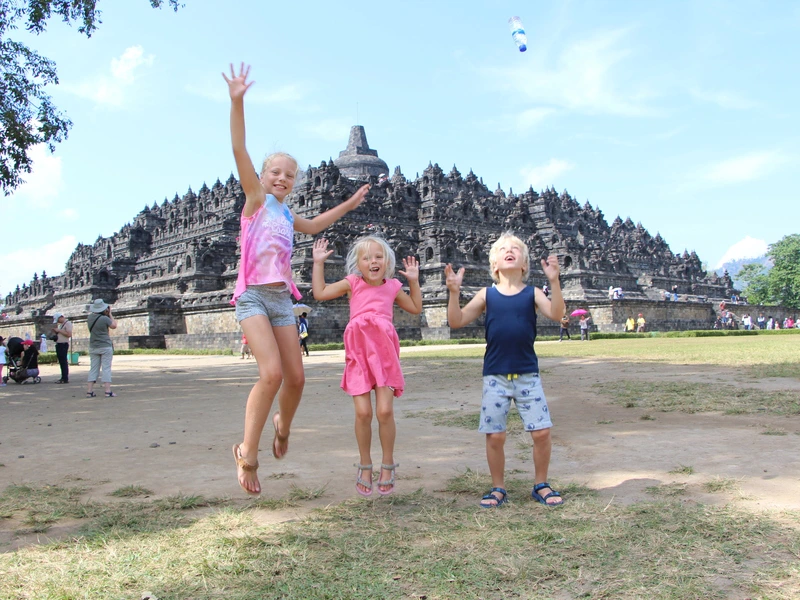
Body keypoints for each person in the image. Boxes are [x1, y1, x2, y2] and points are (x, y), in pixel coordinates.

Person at [224, 62, 370, 497]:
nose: (282, 178)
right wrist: (237, 100)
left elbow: (319, 222)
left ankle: (282, 425)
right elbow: (239, 151)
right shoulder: (255, 201)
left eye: (290, 175)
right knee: (270, 375)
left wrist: (350, 202)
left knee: (297, 378)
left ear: (295, 183)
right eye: (275, 172)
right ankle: (248, 454)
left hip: (283, 301)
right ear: (263, 177)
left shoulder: (289, 214)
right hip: (252, 297)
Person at [445, 233, 566, 508]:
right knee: (495, 434)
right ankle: (498, 487)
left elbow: (558, 314)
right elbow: (456, 320)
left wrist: (554, 281)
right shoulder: (486, 294)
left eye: (515, 249)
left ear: (524, 264)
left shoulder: (532, 293)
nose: (509, 252)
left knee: (541, 432)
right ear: (494, 265)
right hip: (495, 375)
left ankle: (541, 484)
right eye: (503, 250)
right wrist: (453, 292)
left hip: (527, 373)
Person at [312, 236, 422, 496]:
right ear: (357, 265)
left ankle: (387, 463)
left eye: (378, 256)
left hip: (384, 355)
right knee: (363, 413)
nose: (373, 261)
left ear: (387, 262)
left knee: (384, 411)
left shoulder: (393, 286)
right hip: (359, 354)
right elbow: (320, 293)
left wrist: (414, 282)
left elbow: (416, 307)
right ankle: (364, 463)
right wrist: (318, 264)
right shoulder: (353, 284)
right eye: (366, 258)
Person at [86, 299, 117, 398]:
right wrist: (110, 314)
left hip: (93, 346)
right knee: (106, 369)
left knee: (93, 369)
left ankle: (89, 391)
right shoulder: (105, 318)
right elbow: (114, 326)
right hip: (105, 345)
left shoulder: (90, 318)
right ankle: (107, 391)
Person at [51, 313, 73, 383]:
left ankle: (65, 378)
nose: (58, 322)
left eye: (58, 320)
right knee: (61, 362)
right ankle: (63, 377)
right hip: (59, 344)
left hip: (63, 344)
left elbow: (69, 334)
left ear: (61, 317)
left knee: (63, 362)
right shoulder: (61, 324)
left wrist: (59, 330)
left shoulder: (68, 323)